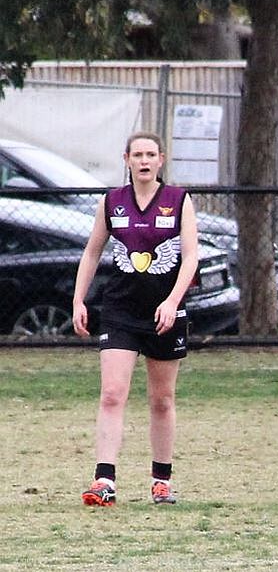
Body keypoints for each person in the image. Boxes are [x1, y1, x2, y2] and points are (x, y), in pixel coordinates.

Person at [73, 132, 199, 508]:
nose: (144, 161)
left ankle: (161, 480)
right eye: (137, 155)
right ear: (126, 158)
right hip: (120, 311)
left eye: (151, 154)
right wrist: (79, 299)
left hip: (165, 313)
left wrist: (172, 301)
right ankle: (104, 480)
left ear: (161, 159)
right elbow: (92, 252)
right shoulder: (112, 202)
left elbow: (190, 257)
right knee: (112, 394)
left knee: (161, 399)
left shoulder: (179, 201)